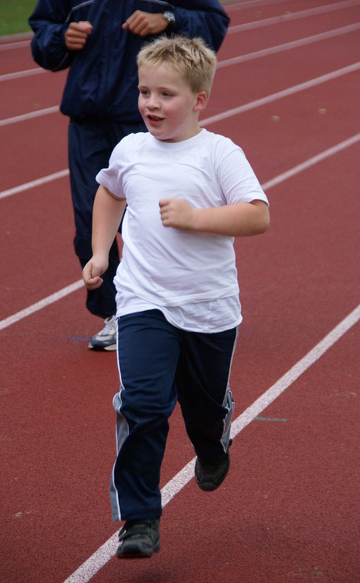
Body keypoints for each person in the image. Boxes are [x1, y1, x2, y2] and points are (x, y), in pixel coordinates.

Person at [82, 35, 270, 558]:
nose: (151, 104)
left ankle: (212, 441)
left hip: (209, 309)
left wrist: (195, 218)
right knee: (143, 405)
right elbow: (109, 192)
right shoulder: (130, 150)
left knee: (202, 410)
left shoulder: (218, 153)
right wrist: (102, 253)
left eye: (166, 94)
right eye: (144, 92)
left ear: (199, 99)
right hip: (143, 301)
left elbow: (258, 214)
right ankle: (138, 517)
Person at [28, 0, 230, 351]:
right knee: (91, 221)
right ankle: (115, 312)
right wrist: (60, 37)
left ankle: (172, 310)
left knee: (152, 220)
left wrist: (167, 19)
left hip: (148, 115)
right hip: (87, 117)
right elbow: (43, 36)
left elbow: (213, 24)